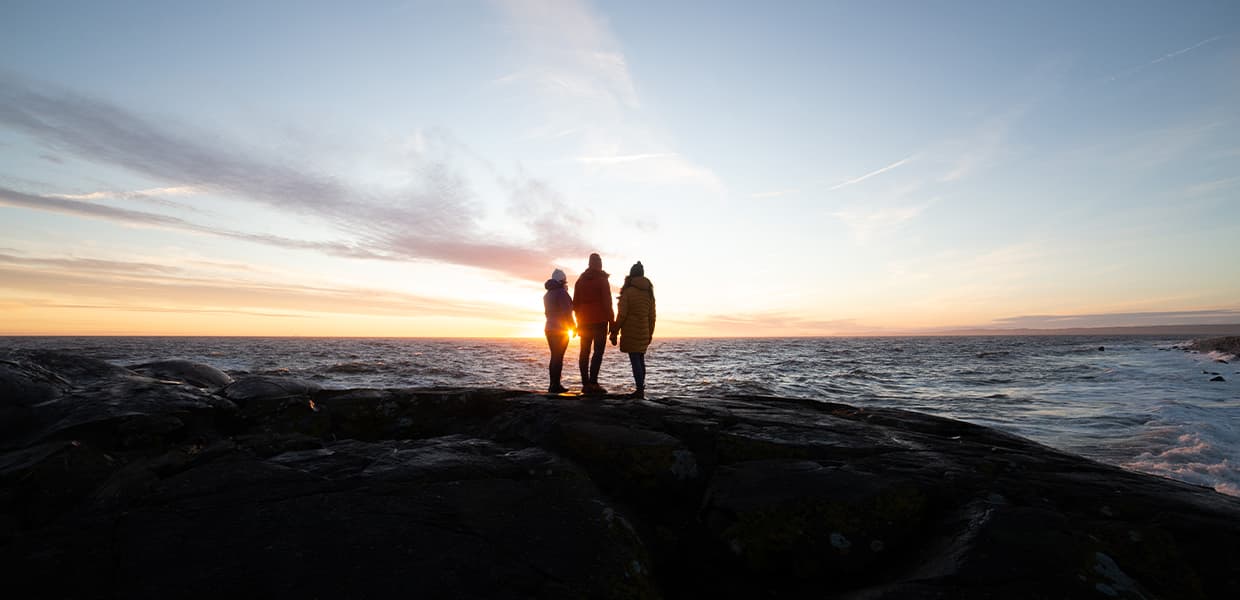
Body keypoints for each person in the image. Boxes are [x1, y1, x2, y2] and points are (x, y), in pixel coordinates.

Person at [610, 261, 656, 398]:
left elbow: (622, 314)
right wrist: (650, 334)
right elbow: (652, 316)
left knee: (635, 359)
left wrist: (614, 331)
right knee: (640, 359)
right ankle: (641, 388)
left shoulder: (628, 292)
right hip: (644, 331)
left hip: (630, 331)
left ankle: (639, 390)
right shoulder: (649, 293)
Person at [573, 253, 614, 394]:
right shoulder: (602, 280)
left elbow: (575, 304)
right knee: (598, 352)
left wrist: (578, 320)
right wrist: (612, 322)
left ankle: (585, 384)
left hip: (584, 322)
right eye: (600, 261)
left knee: (584, 352)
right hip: (600, 321)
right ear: (599, 264)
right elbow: (607, 303)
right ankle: (593, 383)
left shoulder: (580, 280)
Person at [543, 268, 576, 393]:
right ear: (563, 280)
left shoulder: (547, 295)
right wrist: (573, 327)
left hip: (549, 328)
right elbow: (567, 312)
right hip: (560, 330)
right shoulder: (562, 293)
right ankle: (556, 385)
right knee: (559, 357)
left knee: (554, 356)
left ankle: (553, 384)